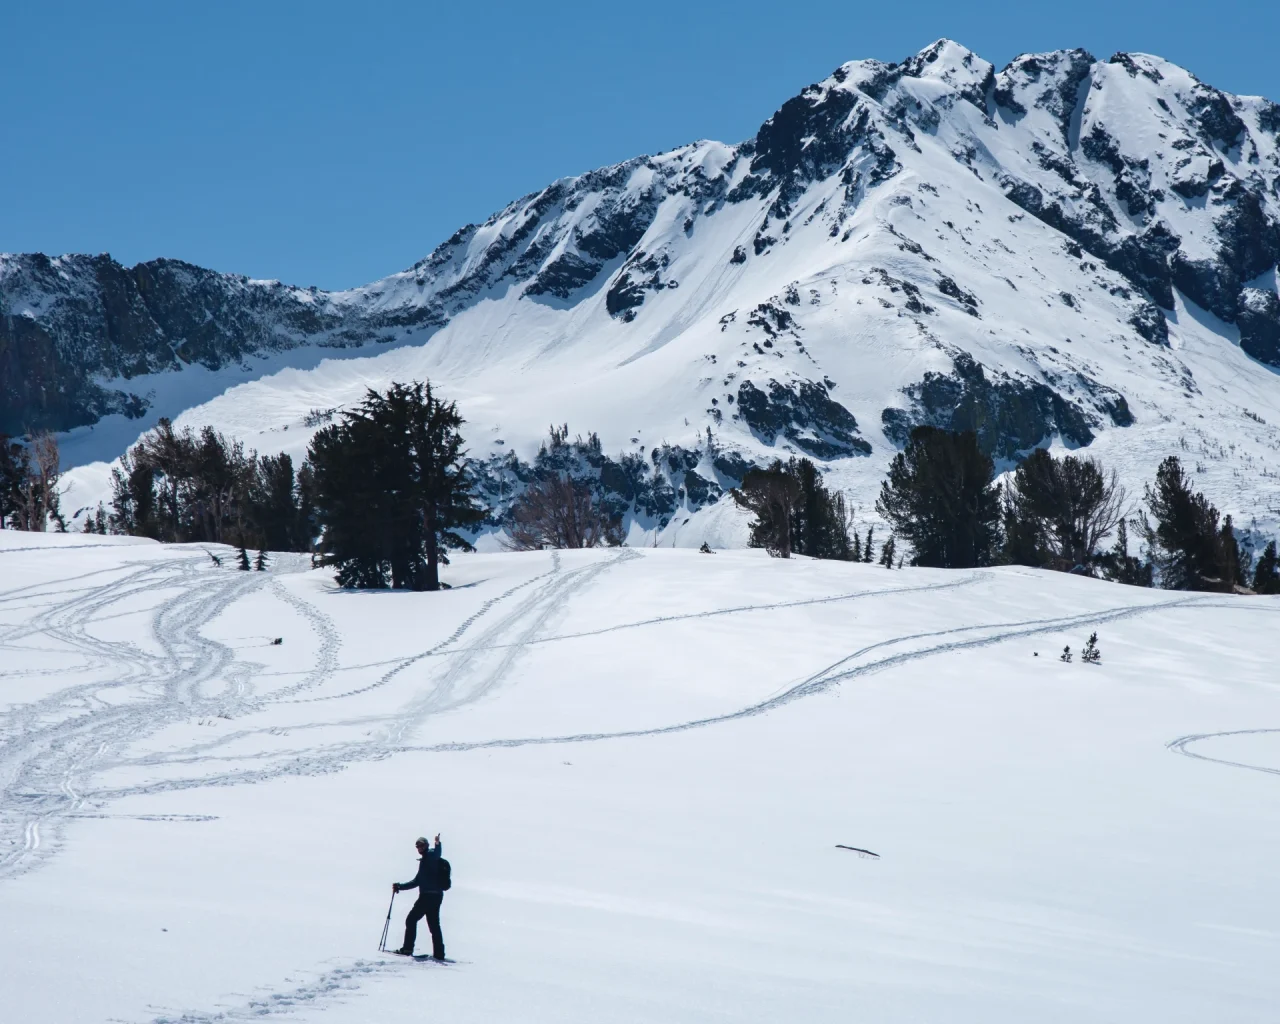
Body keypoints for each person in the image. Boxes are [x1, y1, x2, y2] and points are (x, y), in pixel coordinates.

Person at [392, 834, 446, 959]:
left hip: (428, 896)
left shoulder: (431, 856)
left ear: (426, 845)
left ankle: (407, 948)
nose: (419, 848)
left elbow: (437, 853)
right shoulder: (426, 860)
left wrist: (437, 843)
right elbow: (416, 881)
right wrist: (400, 887)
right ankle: (439, 954)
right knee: (433, 925)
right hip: (436, 896)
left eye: (421, 845)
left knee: (411, 919)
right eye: (417, 846)